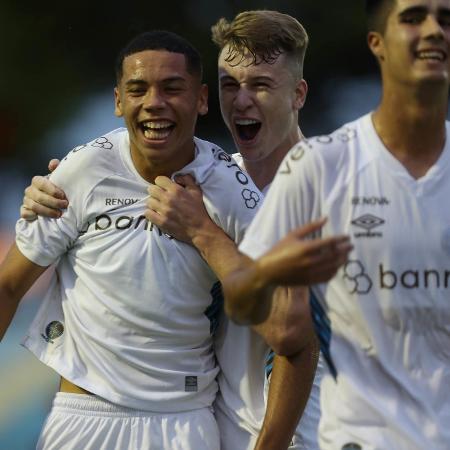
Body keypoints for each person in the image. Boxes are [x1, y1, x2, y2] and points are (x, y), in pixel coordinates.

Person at [19, 11, 353, 450]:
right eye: (230, 85)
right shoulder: (215, 186)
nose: (242, 101)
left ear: (299, 94)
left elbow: (297, 336)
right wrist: (55, 191)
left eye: (261, 85)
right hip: (215, 430)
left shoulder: (341, 195)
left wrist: (203, 232)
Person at [0, 30, 267, 450]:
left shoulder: (230, 188)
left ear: (200, 99)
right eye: (137, 89)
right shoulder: (81, 171)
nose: (154, 102)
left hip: (185, 423)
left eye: (172, 88)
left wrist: (203, 233)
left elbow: (288, 327)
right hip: (83, 419)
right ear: (118, 101)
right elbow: (8, 286)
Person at [223, 1, 450, 449]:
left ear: (298, 94)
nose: (433, 31)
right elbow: (264, 316)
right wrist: (50, 189)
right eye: (412, 17)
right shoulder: (318, 167)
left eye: (446, 19)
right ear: (377, 44)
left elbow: (289, 332)